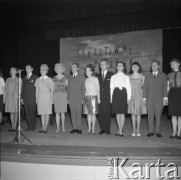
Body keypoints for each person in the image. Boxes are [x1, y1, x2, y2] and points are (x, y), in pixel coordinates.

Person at [143, 60, 167, 137]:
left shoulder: (163, 75)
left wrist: (165, 98)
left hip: (159, 99)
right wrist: (144, 98)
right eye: (152, 65)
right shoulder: (147, 75)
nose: (153, 66)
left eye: (155, 65)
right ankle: (150, 131)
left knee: (158, 116)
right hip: (149, 99)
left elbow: (164, 87)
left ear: (159, 66)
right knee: (150, 115)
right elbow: (145, 87)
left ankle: (158, 131)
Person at [110, 61, 131, 137]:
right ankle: (119, 129)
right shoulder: (113, 77)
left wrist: (128, 98)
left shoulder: (126, 77)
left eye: (120, 66)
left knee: (122, 112)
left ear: (123, 67)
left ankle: (121, 130)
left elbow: (128, 88)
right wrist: (111, 98)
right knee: (117, 113)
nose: (119, 67)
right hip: (115, 94)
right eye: (118, 66)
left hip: (123, 94)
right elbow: (111, 88)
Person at [128, 62, 147, 137]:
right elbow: (127, 88)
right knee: (132, 113)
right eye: (133, 66)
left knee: (138, 113)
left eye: (136, 66)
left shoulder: (143, 77)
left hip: (139, 96)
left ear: (139, 67)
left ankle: (138, 129)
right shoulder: (129, 76)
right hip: (131, 96)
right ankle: (133, 129)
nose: (134, 67)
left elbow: (144, 88)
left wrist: (144, 98)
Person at [35, 64, 54, 133]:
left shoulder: (49, 79)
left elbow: (52, 90)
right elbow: (37, 90)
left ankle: (45, 128)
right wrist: (36, 99)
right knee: (42, 113)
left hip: (47, 97)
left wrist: (52, 99)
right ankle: (42, 127)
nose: (42, 71)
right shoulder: (38, 80)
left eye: (44, 69)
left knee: (47, 113)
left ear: (46, 71)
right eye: (41, 69)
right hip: (40, 97)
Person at [67, 63, 85, 134]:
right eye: (72, 67)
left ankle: (79, 128)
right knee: (72, 114)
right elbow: (68, 89)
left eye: (74, 67)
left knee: (78, 114)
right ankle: (74, 128)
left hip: (78, 98)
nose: (72, 69)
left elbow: (83, 89)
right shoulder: (70, 77)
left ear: (78, 68)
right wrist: (67, 98)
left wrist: (82, 99)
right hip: (71, 98)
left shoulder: (82, 77)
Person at [97, 58, 113, 135]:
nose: (102, 66)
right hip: (99, 97)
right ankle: (102, 128)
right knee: (101, 114)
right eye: (101, 64)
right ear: (100, 66)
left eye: (104, 64)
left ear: (107, 65)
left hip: (108, 97)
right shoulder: (97, 76)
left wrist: (112, 98)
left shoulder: (111, 75)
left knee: (107, 113)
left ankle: (107, 129)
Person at [83, 64, 100, 135]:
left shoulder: (95, 79)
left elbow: (98, 89)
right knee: (88, 114)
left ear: (92, 71)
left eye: (88, 70)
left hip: (93, 98)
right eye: (86, 70)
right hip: (86, 98)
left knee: (93, 114)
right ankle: (89, 128)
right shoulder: (85, 79)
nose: (86, 72)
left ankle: (93, 129)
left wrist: (99, 98)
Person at [21, 64, 38, 131]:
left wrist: (36, 98)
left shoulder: (35, 77)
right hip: (25, 98)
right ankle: (29, 125)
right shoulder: (23, 78)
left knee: (32, 112)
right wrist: (21, 98)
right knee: (27, 113)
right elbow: (22, 89)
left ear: (32, 69)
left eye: (28, 68)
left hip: (32, 98)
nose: (27, 69)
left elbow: (37, 89)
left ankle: (33, 126)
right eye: (26, 68)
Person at [167, 58, 181, 139]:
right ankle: (174, 132)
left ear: (178, 64)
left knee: (180, 115)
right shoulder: (169, 75)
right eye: (171, 64)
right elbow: (168, 87)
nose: (172, 65)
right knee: (173, 115)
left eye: (174, 63)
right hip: (172, 94)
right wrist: (167, 97)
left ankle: (179, 133)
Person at [53, 63, 68, 133]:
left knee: (62, 112)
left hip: (63, 95)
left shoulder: (65, 78)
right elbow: (52, 89)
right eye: (57, 68)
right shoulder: (53, 78)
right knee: (57, 113)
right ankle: (58, 127)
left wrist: (67, 98)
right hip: (56, 95)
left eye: (59, 68)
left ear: (62, 69)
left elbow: (68, 88)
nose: (58, 69)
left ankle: (63, 126)